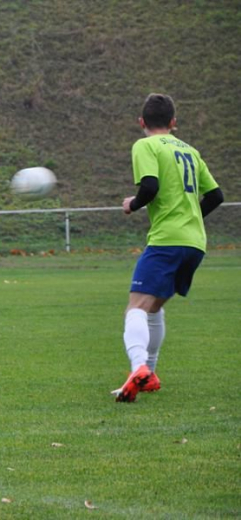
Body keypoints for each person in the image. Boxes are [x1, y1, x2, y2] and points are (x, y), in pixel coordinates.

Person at [113, 93, 223, 402]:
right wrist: (188, 217)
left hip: (167, 240)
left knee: (135, 307)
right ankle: (144, 374)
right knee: (154, 307)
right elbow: (216, 196)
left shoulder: (145, 145)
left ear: (141, 122)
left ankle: (139, 368)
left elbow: (149, 187)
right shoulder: (190, 150)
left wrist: (132, 205)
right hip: (195, 242)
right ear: (173, 123)